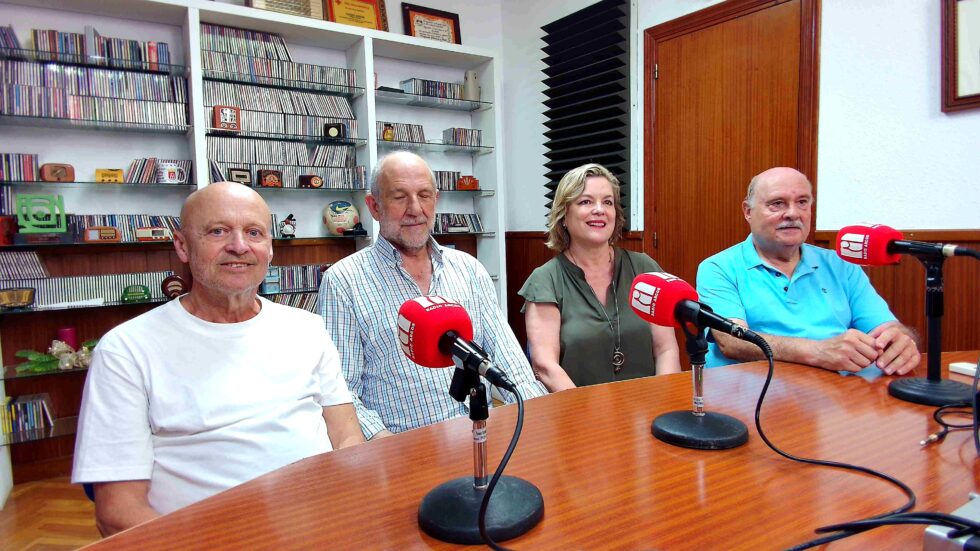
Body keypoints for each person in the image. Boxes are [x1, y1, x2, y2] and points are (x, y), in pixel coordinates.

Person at [72, 182, 364, 536]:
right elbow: (118, 512)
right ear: (182, 245)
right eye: (218, 231)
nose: (239, 246)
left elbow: (347, 439)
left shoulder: (308, 328)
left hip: (319, 529)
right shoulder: (126, 350)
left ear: (270, 248)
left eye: (253, 232)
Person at [319, 151, 547, 440]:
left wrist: (538, 420)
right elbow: (342, 390)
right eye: (400, 197)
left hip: (483, 436)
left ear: (436, 200)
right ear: (374, 207)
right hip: (403, 448)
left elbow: (511, 365)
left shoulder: (469, 270)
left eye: (424, 195)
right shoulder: (344, 281)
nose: (415, 209)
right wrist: (385, 444)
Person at [696, 167, 920, 373]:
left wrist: (900, 342)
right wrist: (819, 352)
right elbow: (733, 341)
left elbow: (885, 328)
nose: (793, 213)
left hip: (840, 394)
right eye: (777, 203)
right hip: (756, 394)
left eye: (802, 202)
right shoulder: (719, 268)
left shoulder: (841, 264)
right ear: (748, 211)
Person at [518, 163, 681, 391]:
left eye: (607, 202)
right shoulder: (545, 280)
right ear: (564, 215)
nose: (599, 209)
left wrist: (662, 403)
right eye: (586, 201)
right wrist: (590, 416)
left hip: (648, 409)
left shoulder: (644, 268)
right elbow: (545, 366)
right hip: (579, 412)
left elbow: (666, 349)